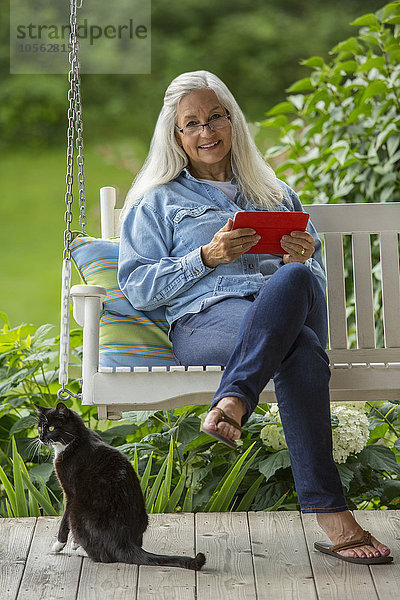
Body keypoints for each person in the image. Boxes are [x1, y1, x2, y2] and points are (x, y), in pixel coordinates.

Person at [118, 70, 392, 564]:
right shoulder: (157, 201)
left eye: (216, 117)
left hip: (276, 314)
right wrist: (205, 257)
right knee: (301, 349)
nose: (207, 132)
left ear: (233, 122)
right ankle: (334, 518)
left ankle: (232, 401)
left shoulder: (274, 193)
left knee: (293, 282)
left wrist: (302, 258)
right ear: (175, 135)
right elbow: (138, 286)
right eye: (192, 123)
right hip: (206, 324)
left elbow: (311, 288)